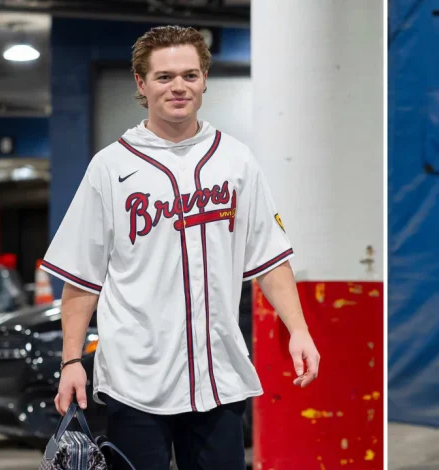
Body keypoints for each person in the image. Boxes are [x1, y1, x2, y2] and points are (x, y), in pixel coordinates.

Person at [41, 25, 320, 470]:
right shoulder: (110, 166)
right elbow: (81, 278)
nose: (178, 87)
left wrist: (299, 330)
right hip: (136, 380)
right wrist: (71, 360)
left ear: (205, 79)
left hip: (219, 377)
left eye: (190, 75)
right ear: (141, 83)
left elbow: (270, 258)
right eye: (164, 76)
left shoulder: (236, 160)